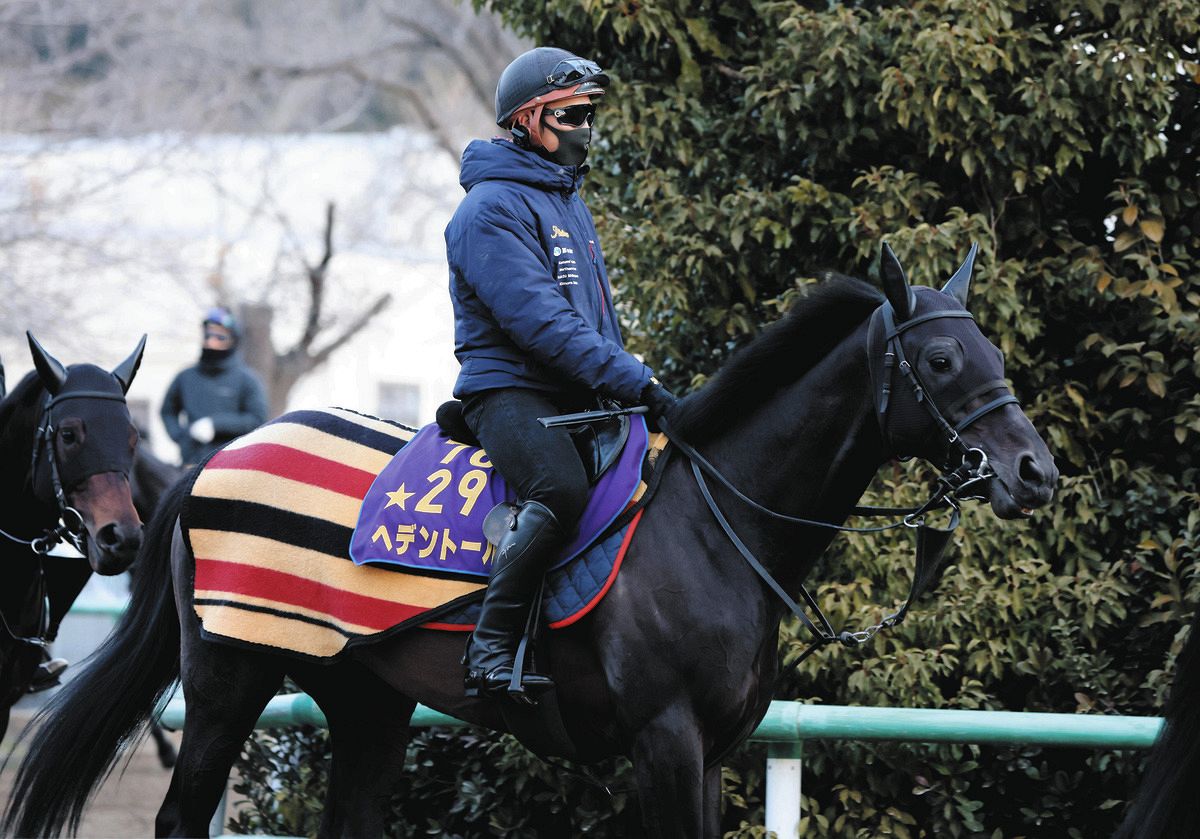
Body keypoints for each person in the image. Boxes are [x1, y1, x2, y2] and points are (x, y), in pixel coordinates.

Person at [445, 46, 678, 701]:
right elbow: (543, 325)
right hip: (509, 392)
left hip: (575, 391)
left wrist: (632, 390)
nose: (586, 127)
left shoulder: (566, 200)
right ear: (528, 119)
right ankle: (489, 650)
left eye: (589, 113)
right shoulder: (488, 210)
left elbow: (595, 323)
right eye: (572, 114)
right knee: (560, 489)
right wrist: (640, 383)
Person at [160, 306, 268, 467]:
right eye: (208, 335)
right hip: (192, 463)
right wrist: (182, 437)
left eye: (220, 336)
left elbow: (257, 419)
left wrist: (216, 424)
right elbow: (168, 411)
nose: (212, 341)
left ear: (232, 340)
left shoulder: (247, 380)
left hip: (233, 465)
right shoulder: (185, 377)